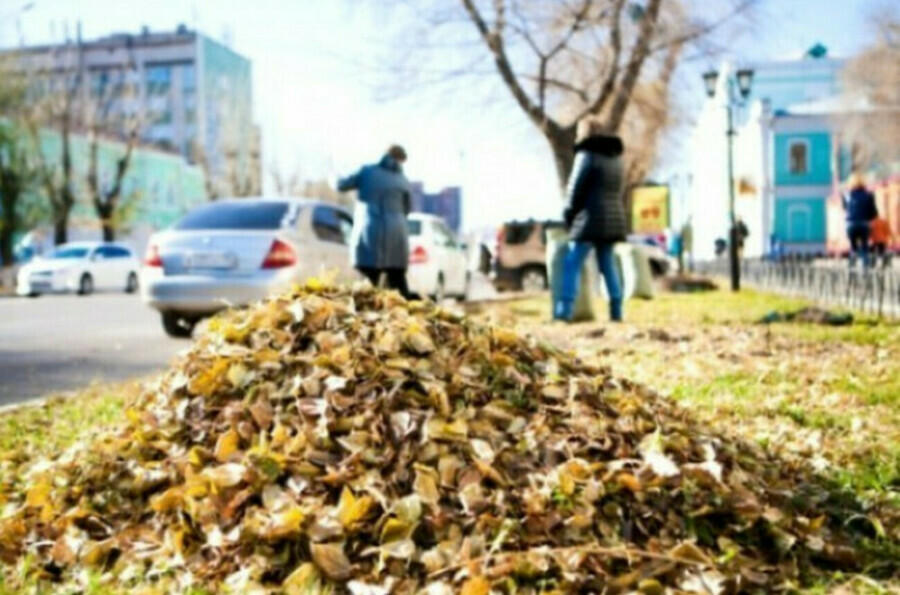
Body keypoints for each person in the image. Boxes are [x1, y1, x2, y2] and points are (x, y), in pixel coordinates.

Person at [554, 116, 626, 322]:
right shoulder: (615, 158)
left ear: (583, 132)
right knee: (607, 264)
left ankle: (564, 311)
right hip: (613, 219)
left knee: (572, 262)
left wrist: (568, 214)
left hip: (589, 218)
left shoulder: (586, 155)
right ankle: (617, 311)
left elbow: (575, 189)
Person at [338, 145, 413, 298]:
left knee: (368, 286)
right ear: (401, 160)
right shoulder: (403, 180)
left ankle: (365, 316)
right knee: (398, 284)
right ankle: (406, 318)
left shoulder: (366, 172)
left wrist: (332, 175)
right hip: (397, 235)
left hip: (370, 232)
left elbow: (341, 185)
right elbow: (407, 209)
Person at [842, 172, 878, 268]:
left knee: (853, 247)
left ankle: (851, 269)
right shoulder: (869, 195)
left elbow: (845, 209)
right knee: (865, 247)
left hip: (850, 224)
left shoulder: (846, 195)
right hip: (864, 224)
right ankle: (865, 270)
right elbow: (873, 213)